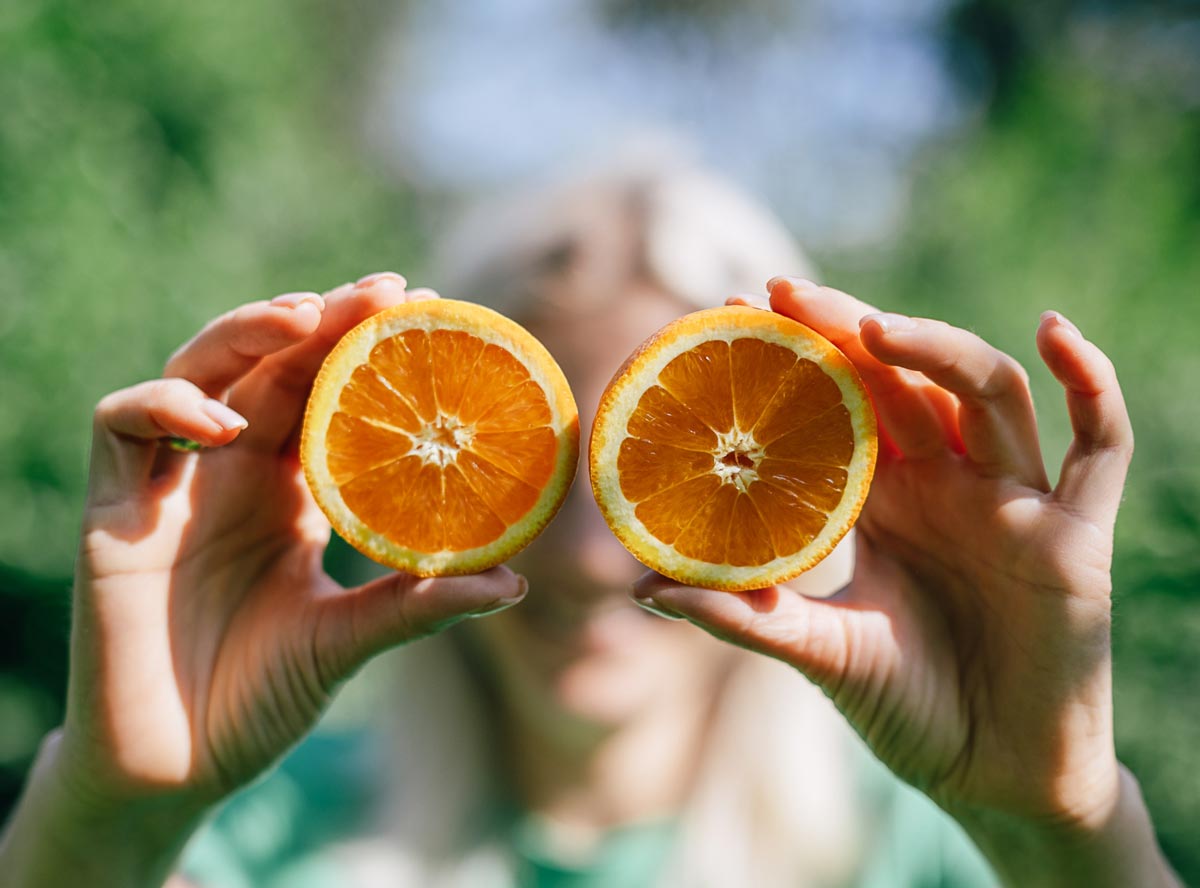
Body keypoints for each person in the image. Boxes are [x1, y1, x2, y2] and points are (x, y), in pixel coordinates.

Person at [0, 162, 1183, 888]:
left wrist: (1067, 839)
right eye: (532, 460)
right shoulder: (251, 843)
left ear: (816, 478)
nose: (580, 556)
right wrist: (112, 826)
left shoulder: (940, 857)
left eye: (662, 472)